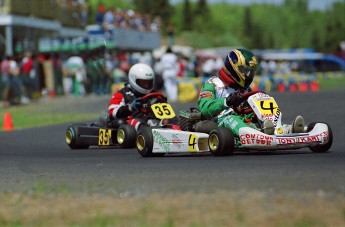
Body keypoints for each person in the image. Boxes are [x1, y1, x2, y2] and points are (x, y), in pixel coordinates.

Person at [197, 48, 305, 136]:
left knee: (260, 116)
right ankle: (258, 135)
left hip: (241, 118)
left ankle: (284, 130)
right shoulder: (213, 83)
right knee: (231, 119)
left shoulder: (244, 88)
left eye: (250, 71)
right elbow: (205, 108)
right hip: (220, 122)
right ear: (233, 68)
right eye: (245, 70)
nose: (248, 75)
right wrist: (227, 101)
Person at [108, 63, 155, 130]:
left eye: (149, 82)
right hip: (131, 125)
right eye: (144, 83)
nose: (147, 86)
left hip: (151, 121)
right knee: (125, 122)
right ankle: (145, 131)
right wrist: (130, 107)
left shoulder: (154, 94)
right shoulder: (122, 94)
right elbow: (112, 111)